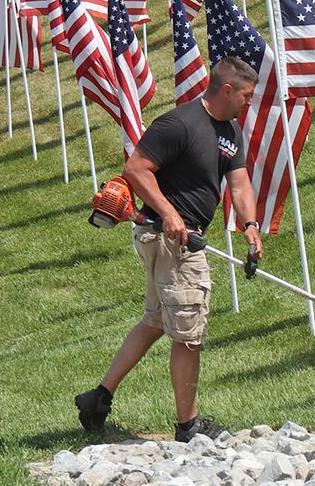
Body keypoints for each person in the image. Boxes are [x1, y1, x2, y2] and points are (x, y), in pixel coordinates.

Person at [75, 56, 265, 442]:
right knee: (188, 333)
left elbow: (240, 182)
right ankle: (188, 426)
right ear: (226, 90)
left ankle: (98, 397)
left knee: (156, 322)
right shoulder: (179, 123)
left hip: (176, 239)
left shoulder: (229, 131)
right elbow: (136, 168)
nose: (249, 101)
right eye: (246, 95)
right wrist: (170, 215)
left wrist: (250, 226)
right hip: (170, 239)